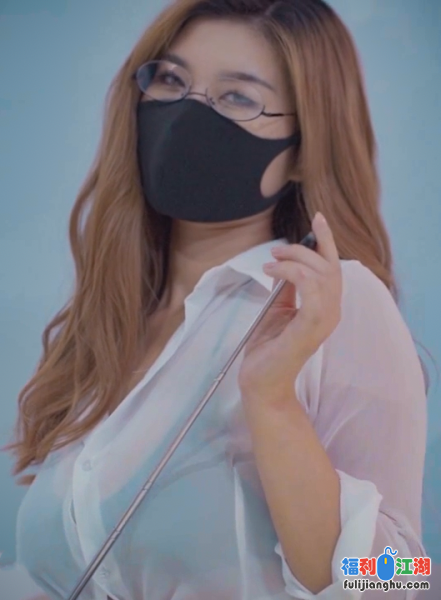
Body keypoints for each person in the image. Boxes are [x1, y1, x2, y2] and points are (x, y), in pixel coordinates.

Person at [3, 0, 427, 598]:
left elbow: (405, 579)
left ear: (304, 148)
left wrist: (273, 404)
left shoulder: (331, 303)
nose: (187, 114)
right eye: (171, 80)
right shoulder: (111, 321)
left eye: (238, 97)